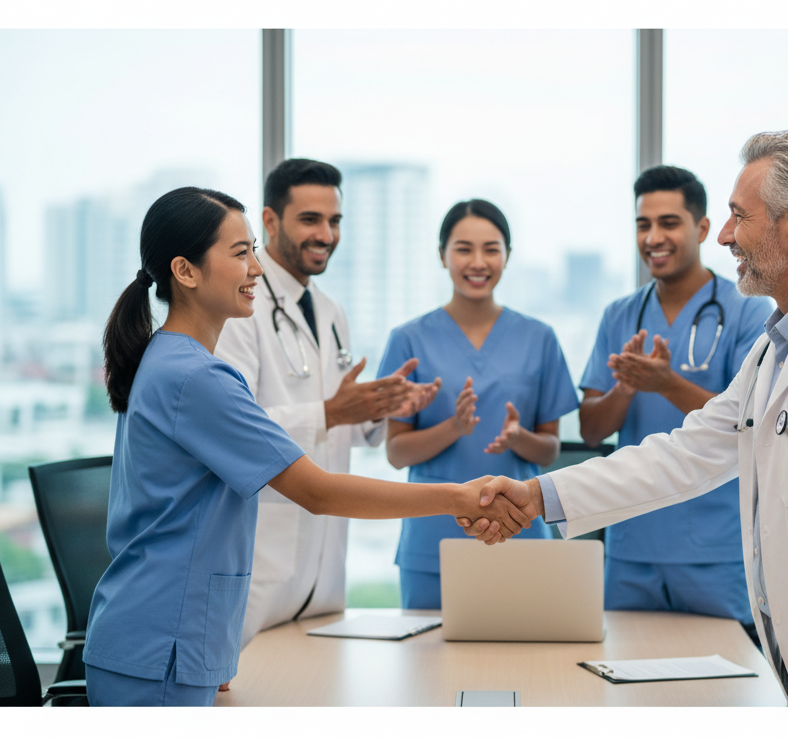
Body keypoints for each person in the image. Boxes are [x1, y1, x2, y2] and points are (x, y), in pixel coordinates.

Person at [465, 131, 788, 707]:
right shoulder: (775, 350)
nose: (726, 235)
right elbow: (685, 455)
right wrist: (539, 495)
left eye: (738, 216)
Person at [82, 187, 527, 707]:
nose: (256, 268)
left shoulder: (171, 360)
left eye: (253, 249)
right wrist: (459, 497)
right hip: (159, 643)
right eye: (240, 253)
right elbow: (316, 492)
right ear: (185, 271)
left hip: (166, 638)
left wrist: (211, 644)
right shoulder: (196, 377)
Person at [215, 159, 439, 651]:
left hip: (325, 567)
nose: (327, 234)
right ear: (270, 222)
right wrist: (332, 411)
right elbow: (233, 428)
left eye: (335, 221)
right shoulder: (240, 308)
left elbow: (342, 425)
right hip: (264, 561)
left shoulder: (331, 310)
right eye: (310, 220)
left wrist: (380, 405)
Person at [579, 165, 771, 629]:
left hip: (715, 548)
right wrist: (625, 389)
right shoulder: (620, 315)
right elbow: (590, 430)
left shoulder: (747, 311)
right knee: (625, 683)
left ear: (702, 228)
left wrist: (666, 383)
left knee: (722, 690)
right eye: (643, 225)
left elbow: (748, 422)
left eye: (668, 223)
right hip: (632, 543)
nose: (653, 237)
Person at [377, 199, 579, 609]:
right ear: (442, 255)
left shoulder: (539, 338)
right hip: (432, 539)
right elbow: (396, 453)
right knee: (427, 666)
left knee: (521, 667)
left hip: (518, 533)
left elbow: (550, 449)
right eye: (464, 248)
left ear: (508, 256)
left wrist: (518, 437)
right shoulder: (408, 339)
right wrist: (453, 428)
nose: (478, 262)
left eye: (491, 248)